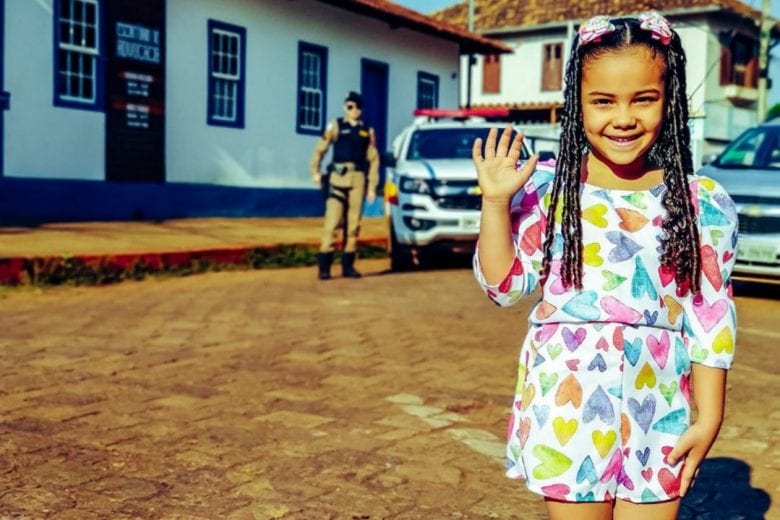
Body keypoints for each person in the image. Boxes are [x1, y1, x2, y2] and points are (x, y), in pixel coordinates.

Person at [471, 13, 738, 520]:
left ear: (670, 99)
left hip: (658, 400)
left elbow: (709, 317)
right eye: (603, 101)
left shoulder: (701, 204)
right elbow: (505, 288)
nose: (623, 117)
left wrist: (710, 417)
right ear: (578, 105)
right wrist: (495, 204)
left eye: (643, 98)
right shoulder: (548, 190)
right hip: (566, 399)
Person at [309, 91, 380, 280]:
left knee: (353, 224)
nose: (353, 110)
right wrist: (315, 170)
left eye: (357, 107)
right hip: (337, 179)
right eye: (350, 107)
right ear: (345, 108)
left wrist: (372, 186)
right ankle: (324, 267)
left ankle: (348, 265)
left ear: (361, 110)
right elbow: (320, 149)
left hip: (357, 179)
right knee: (332, 222)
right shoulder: (336, 126)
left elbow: (373, 160)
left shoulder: (367, 132)